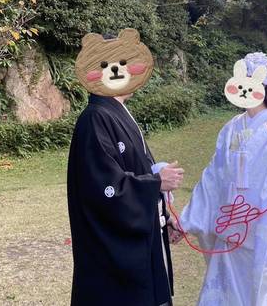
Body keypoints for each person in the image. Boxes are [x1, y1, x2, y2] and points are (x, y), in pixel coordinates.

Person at [177, 52, 267, 306]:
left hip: (263, 234)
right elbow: (213, 177)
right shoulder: (231, 127)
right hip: (231, 231)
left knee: (264, 294)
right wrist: (186, 221)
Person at [67, 30, 184, 306]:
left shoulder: (115, 114)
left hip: (141, 237)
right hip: (112, 257)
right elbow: (105, 188)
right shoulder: (95, 119)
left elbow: (134, 172)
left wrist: (162, 217)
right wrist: (156, 183)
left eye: (125, 63)